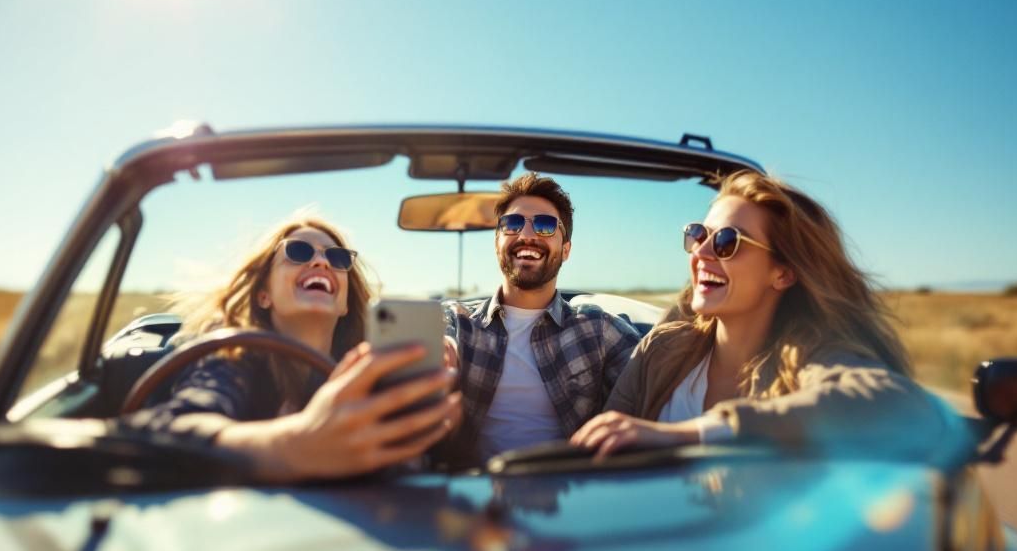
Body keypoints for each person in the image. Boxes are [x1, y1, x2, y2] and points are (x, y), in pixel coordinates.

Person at [572, 171, 963, 459]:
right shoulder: (661, 349)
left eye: (727, 241)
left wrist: (691, 435)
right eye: (699, 234)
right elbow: (596, 457)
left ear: (783, 273)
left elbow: (900, 405)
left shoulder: (807, 359)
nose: (701, 253)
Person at [133, 218, 462, 482]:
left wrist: (433, 420)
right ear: (264, 295)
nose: (321, 261)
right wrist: (296, 445)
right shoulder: (233, 354)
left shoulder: (366, 370)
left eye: (337, 258)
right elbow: (170, 432)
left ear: (345, 303)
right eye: (299, 252)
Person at [439, 173, 641, 465]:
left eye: (545, 225)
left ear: (566, 250)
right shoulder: (457, 321)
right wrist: (439, 358)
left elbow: (657, 385)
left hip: (570, 487)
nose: (527, 235)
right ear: (497, 242)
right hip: (472, 488)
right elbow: (439, 344)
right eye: (513, 224)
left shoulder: (598, 329)